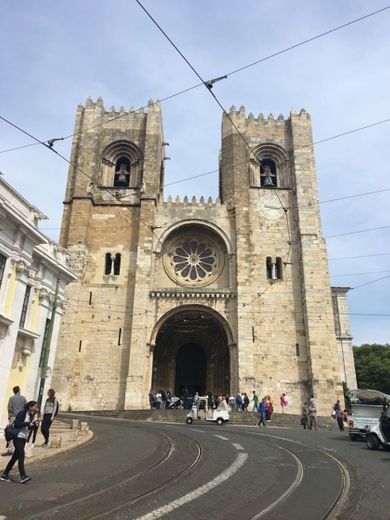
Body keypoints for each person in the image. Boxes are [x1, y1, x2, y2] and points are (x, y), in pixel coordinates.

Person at [1, 400, 39, 483]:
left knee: (15, 457)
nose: (36, 408)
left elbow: (28, 428)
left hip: (23, 438)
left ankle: (5, 474)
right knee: (21, 456)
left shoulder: (31, 415)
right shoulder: (22, 413)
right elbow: (17, 423)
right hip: (17, 437)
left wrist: (33, 425)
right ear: (30, 407)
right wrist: (28, 424)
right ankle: (23, 476)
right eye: (35, 406)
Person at [2, 386, 27, 457]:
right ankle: (20, 449)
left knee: (11, 433)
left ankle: (10, 450)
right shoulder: (23, 398)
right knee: (21, 433)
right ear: (19, 390)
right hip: (21, 418)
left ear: (14, 391)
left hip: (13, 417)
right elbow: (26, 408)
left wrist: (9, 416)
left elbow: (9, 408)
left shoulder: (11, 398)